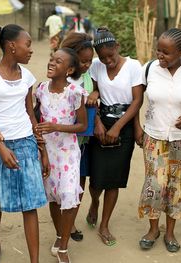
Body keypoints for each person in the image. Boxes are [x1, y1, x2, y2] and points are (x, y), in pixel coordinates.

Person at [0, 24, 48, 263]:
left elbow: (30, 113)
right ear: (11, 46)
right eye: (27, 45)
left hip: (26, 143)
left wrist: (42, 148)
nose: (31, 50)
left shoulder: (27, 76)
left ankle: (34, 260)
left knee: (30, 203)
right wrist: (0, 146)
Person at [135, 28, 181, 252]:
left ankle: (171, 232)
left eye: (166, 53)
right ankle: (153, 229)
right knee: (154, 185)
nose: (160, 56)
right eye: (159, 50)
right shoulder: (149, 69)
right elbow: (135, 101)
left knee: (176, 186)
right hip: (154, 136)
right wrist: (138, 128)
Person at [86, 27, 144, 246]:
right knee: (97, 178)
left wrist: (119, 127)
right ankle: (93, 203)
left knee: (114, 180)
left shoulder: (133, 66)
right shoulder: (95, 66)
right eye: (102, 57)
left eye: (110, 56)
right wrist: (98, 122)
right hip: (101, 124)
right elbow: (94, 96)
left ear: (117, 47)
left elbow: (137, 100)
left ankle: (104, 225)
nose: (107, 61)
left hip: (124, 125)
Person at [35, 47, 88, 263]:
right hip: (47, 151)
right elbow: (35, 116)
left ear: (69, 69)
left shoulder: (75, 92)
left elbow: (83, 125)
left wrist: (57, 126)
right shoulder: (40, 89)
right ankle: (58, 235)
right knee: (53, 196)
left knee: (68, 193)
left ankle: (64, 247)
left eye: (58, 61)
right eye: (51, 59)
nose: (51, 63)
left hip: (67, 151)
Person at [60, 32, 96, 242]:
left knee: (78, 183)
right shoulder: (62, 77)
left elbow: (93, 92)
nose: (87, 65)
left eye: (90, 61)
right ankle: (64, 225)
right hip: (64, 142)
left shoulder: (86, 77)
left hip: (82, 141)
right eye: (83, 61)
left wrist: (95, 95)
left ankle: (71, 221)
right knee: (64, 185)